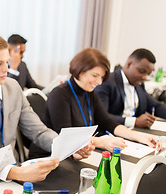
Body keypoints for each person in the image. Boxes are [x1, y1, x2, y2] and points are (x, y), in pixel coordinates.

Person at [0, 33, 94, 183]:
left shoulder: (13, 87)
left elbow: (38, 131)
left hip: (17, 173)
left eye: (7, 62)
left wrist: (69, 146)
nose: (6, 69)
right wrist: (15, 172)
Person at [30, 48, 158, 156]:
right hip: (50, 156)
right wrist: (100, 142)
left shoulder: (89, 93)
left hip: (78, 152)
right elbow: (67, 136)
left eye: (102, 77)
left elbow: (109, 123)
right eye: (95, 76)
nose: (99, 82)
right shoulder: (59, 94)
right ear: (80, 70)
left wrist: (139, 137)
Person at [94, 48, 166, 128]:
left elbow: (156, 106)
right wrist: (134, 121)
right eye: (142, 71)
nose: (145, 77)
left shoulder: (139, 85)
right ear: (129, 64)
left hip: (134, 132)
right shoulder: (107, 82)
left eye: (148, 74)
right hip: (112, 132)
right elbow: (101, 116)